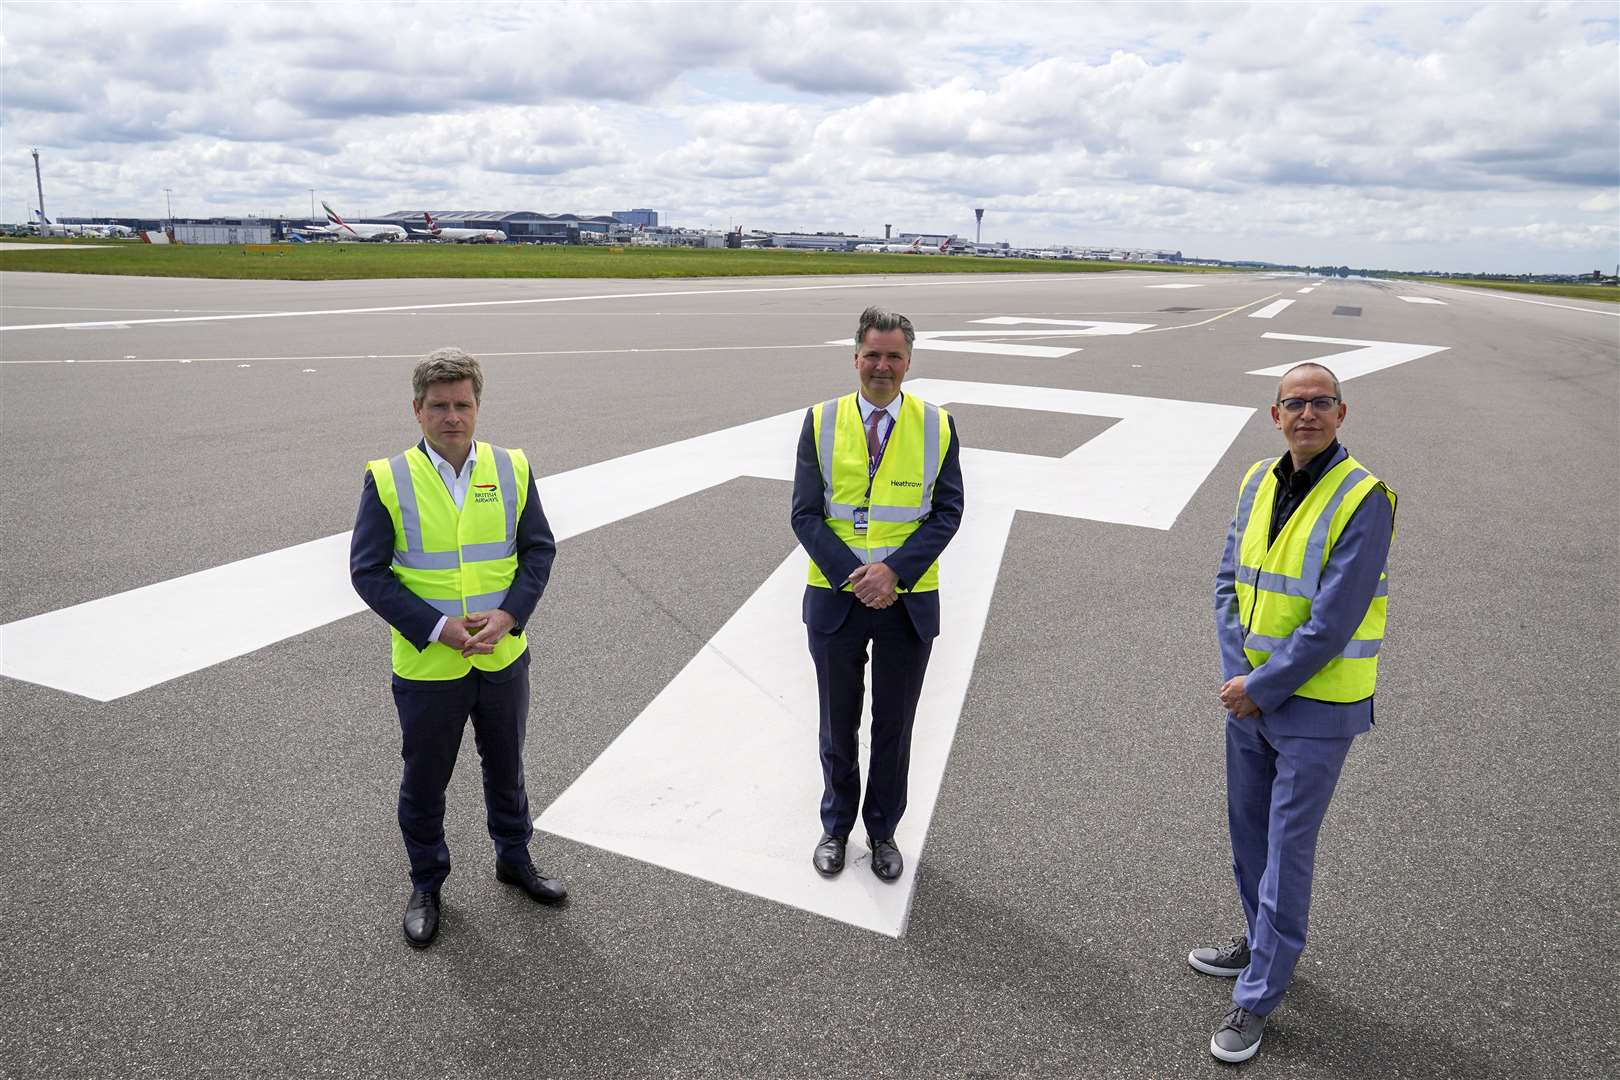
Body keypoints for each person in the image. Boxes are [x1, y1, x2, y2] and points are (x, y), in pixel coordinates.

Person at [1191, 361, 1396, 1062]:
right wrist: (1236, 675)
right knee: (1248, 835)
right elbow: (1227, 582)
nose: (1307, 413)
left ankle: (1257, 1000)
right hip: (1248, 698)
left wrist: (1262, 686)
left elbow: (1334, 620)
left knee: (1285, 850)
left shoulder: (1365, 497)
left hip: (1315, 707)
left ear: (1343, 413)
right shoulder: (1255, 480)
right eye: (1294, 403)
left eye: (1321, 402)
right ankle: (1260, 944)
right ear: (1274, 415)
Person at [350, 347, 566, 949]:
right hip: (428, 664)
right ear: (416, 410)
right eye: (439, 406)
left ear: (478, 406)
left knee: (507, 767)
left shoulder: (512, 466)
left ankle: (515, 859)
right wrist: (437, 628)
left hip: (501, 657)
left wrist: (510, 615)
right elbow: (368, 573)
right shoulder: (389, 478)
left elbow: (538, 551)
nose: (452, 417)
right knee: (426, 779)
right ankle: (426, 881)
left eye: (463, 405)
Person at [790, 306, 965, 883]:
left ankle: (883, 830)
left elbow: (947, 513)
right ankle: (836, 827)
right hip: (837, 601)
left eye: (893, 357)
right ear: (855, 358)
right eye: (872, 355)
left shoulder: (937, 425)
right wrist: (856, 576)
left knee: (894, 725)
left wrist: (892, 572)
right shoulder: (820, 421)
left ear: (909, 362)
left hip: (906, 603)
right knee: (838, 724)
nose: (882, 367)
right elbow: (806, 516)